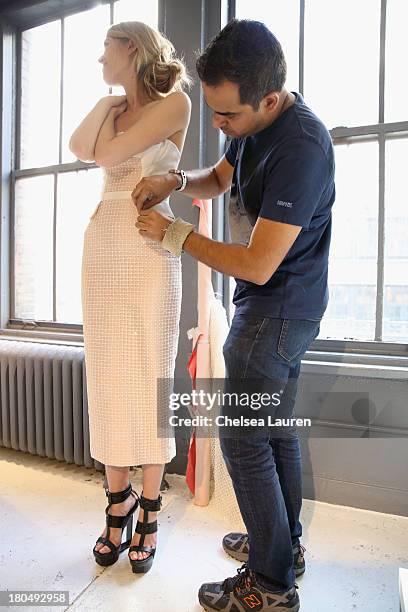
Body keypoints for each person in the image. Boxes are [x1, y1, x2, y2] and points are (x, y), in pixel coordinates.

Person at [132, 18, 335, 611]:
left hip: (275, 311)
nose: (219, 126)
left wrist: (173, 235)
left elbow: (257, 264)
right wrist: (175, 179)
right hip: (283, 311)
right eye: (215, 113)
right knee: (271, 434)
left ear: (269, 99)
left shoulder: (301, 146)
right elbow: (219, 178)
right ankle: (283, 546)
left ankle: (270, 586)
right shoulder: (250, 125)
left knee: (244, 440)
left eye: (229, 117)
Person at [69, 21, 191, 574]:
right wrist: (105, 100)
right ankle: (115, 505)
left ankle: (150, 507)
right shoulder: (111, 108)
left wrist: (111, 118)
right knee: (109, 375)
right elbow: (78, 147)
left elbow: (103, 155)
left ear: (132, 50)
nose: (100, 60)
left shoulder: (175, 105)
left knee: (149, 375)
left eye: (106, 51)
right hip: (104, 246)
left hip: (148, 245)